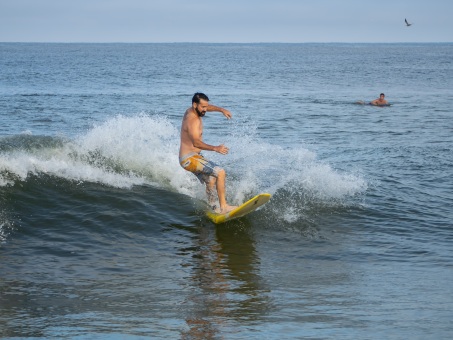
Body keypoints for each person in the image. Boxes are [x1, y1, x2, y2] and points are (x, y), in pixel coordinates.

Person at [179, 93, 238, 214]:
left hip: (189, 158)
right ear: (195, 105)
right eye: (203, 107)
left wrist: (221, 109)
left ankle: (213, 205)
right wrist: (215, 148)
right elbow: (196, 143)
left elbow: (207, 107)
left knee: (211, 180)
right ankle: (224, 206)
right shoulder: (192, 120)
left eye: (206, 106)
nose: (205, 110)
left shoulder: (191, 110)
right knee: (220, 172)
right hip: (189, 158)